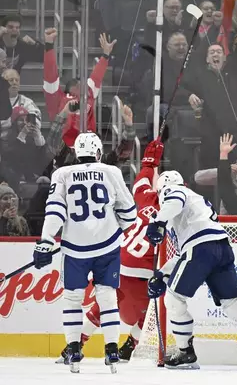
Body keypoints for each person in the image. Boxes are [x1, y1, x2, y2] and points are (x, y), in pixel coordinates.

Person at [145, 170, 237, 369]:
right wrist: (162, 274)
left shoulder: (172, 191)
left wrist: (157, 223)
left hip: (201, 249)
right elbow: (184, 255)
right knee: (232, 304)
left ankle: (185, 353)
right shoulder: (196, 202)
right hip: (221, 248)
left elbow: (193, 246)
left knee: (173, 299)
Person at [32, 132, 137, 373]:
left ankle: (74, 349)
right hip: (108, 246)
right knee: (107, 296)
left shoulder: (62, 174)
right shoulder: (111, 172)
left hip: (75, 249)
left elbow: (55, 210)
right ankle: (111, 349)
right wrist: (116, 227)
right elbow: (130, 213)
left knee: (72, 299)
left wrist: (46, 241)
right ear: (99, 152)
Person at [55, 140, 167, 364]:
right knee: (155, 309)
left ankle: (73, 347)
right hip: (145, 273)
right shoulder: (177, 211)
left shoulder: (145, 196)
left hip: (122, 261)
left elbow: (141, 180)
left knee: (103, 306)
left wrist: (150, 161)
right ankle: (128, 346)